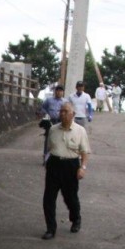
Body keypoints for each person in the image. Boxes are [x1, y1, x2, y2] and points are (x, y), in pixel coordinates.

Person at [42, 102, 90, 239]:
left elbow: (85, 152)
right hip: (54, 165)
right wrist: (47, 161)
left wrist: (83, 168)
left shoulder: (80, 131)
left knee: (70, 198)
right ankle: (50, 228)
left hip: (71, 165)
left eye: (65, 111)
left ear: (73, 114)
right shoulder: (53, 129)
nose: (62, 113)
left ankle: (76, 219)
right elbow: (49, 148)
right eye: (61, 111)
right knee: (48, 199)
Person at [39, 85, 66, 164]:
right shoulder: (49, 100)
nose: (59, 92)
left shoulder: (64, 101)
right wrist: (46, 113)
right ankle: (46, 157)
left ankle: (58, 157)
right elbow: (43, 107)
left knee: (60, 139)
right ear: (55, 91)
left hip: (60, 122)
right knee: (48, 139)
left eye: (61, 91)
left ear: (63, 92)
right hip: (50, 121)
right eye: (57, 90)